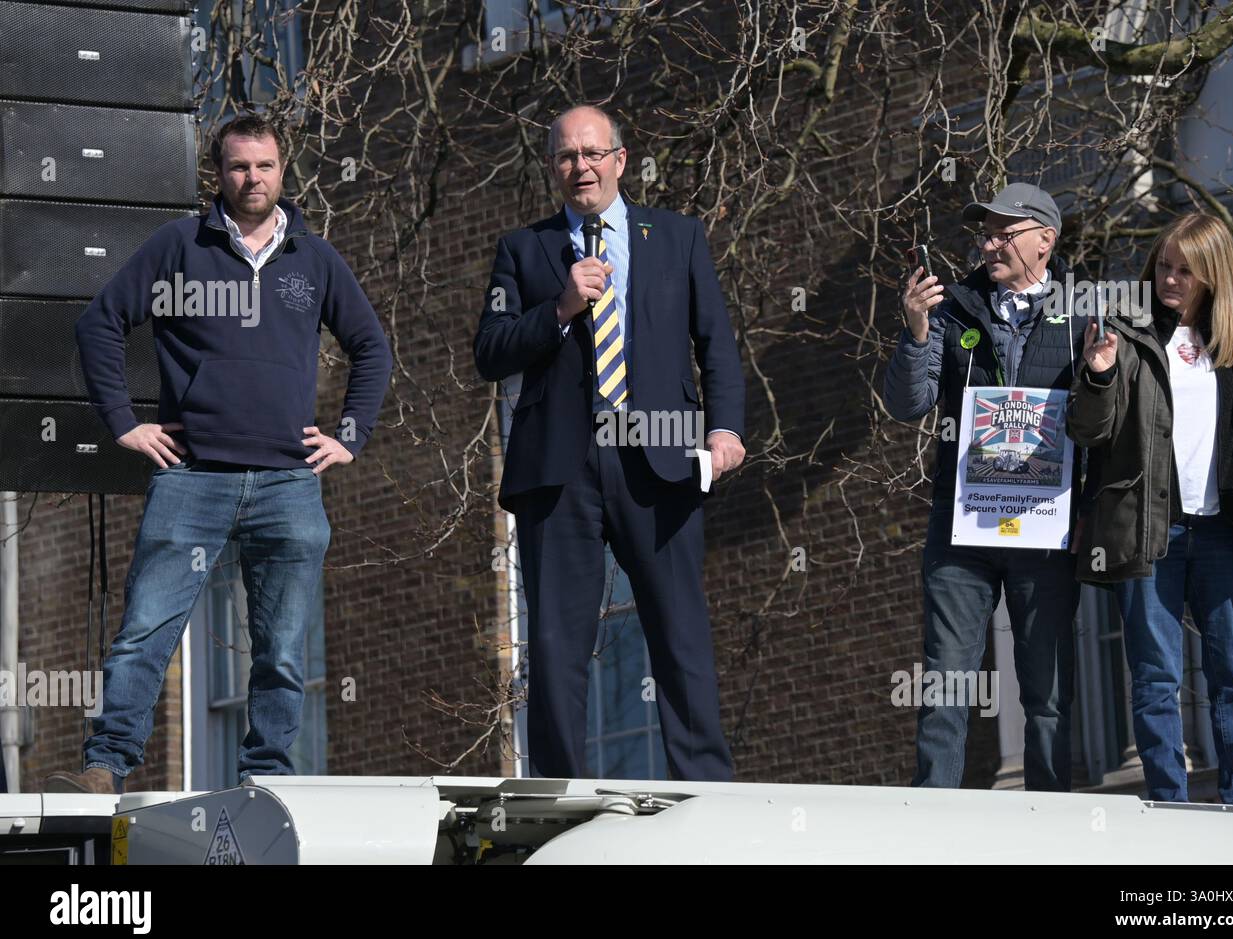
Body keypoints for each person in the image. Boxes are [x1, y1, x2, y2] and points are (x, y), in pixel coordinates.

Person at [45, 113, 393, 794]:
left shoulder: (315, 259)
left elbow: (372, 347)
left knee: (284, 648)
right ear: (219, 173)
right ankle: (106, 767)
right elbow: (101, 324)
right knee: (146, 629)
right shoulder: (178, 247)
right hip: (191, 475)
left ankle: (264, 779)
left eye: (263, 166)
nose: (251, 178)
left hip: (288, 483)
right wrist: (123, 422)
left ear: (282, 170)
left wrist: (350, 436)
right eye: (238, 167)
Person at [474, 104, 745, 780]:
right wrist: (560, 307)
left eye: (593, 153)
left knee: (679, 628)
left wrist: (726, 428)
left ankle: (705, 785)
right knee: (559, 640)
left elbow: (715, 341)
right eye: (567, 156)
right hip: (560, 464)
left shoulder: (677, 238)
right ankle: (560, 788)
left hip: (659, 449)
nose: (581, 167)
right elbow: (491, 350)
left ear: (620, 161)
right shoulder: (525, 249)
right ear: (553, 167)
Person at [1067, 212, 1233, 805]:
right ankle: (1168, 801)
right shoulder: (1126, 333)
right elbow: (1088, 431)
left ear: (1213, 274)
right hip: (1147, 530)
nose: (1169, 279)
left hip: (1226, 530)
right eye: (1164, 265)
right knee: (1156, 676)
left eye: (1185, 270)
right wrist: (1098, 374)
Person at [885, 182, 1089, 791]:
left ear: (1046, 240)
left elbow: (1106, 427)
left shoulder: (1086, 314)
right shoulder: (953, 310)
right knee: (946, 687)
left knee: (1047, 690)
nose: (990, 242)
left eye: (1006, 232)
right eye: (986, 232)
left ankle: (1051, 822)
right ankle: (933, 826)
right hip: (962, 530)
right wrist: (917, 331)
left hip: (1047, 530)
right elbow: (909, 404)